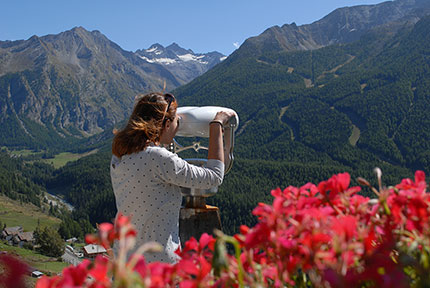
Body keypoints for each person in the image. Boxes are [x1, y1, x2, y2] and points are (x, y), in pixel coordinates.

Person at [110, 92, 234, 263]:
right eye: (176, 121)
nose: (178, 127)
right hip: (158, 264)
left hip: (124, 261)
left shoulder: (119, 155)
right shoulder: (158, 158)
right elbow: (213, 177)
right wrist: (216, 126)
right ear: (166, 124)